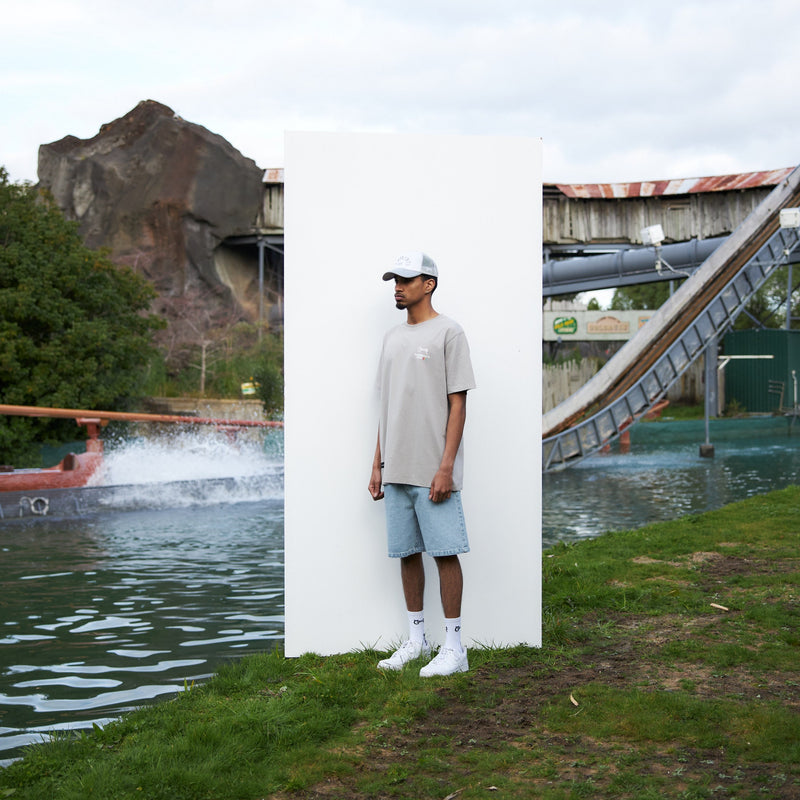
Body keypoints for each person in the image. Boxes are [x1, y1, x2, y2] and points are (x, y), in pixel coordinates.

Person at [369, 251, 476, 677]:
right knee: (407, 553)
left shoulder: (450, 332)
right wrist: (376, 463)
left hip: (434, 469)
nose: (397, 286)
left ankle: (455, 648)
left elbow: (458, 404)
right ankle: (417, 640)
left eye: (406, 279)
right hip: (396, 467)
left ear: (428, 283)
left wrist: (446, 466)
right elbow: (386, 407)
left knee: (445, 552)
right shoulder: (392, 339)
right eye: (394, 279)